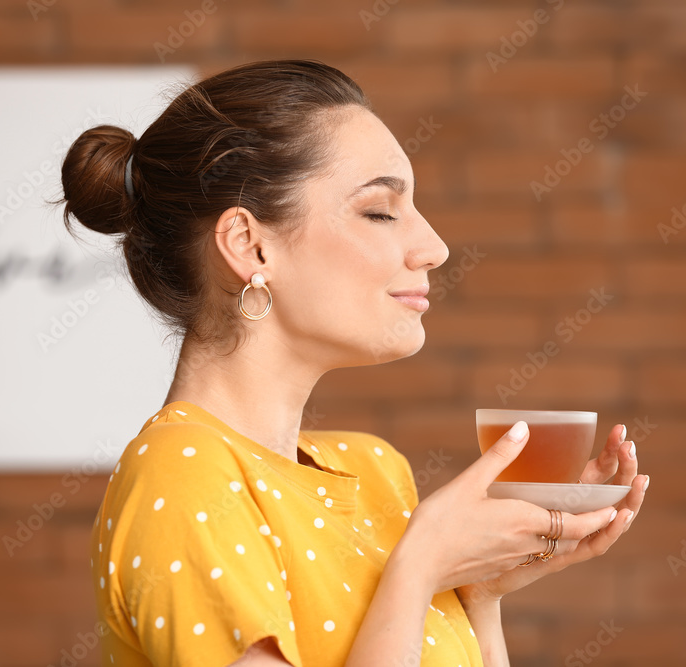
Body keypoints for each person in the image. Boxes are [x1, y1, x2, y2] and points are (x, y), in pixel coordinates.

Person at [58, 59, 648, 667]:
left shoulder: (376, 471)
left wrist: (479, 592)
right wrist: (420, 566)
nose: (434, 247)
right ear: (249, 245)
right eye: (380, 211)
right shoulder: (182, 475)